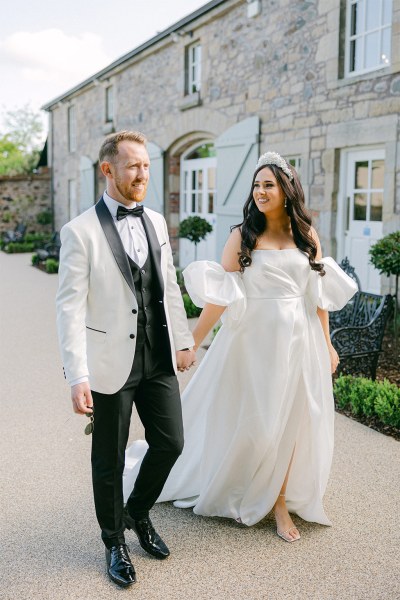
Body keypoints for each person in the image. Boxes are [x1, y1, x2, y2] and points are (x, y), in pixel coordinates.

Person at [123, 151, 358, 543]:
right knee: (257, 423)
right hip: (251, 345)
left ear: (287, 189)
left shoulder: (307, 235)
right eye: (257, 185)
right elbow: (222, 297)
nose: (261, 191)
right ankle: (237, 482)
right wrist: (191, 342)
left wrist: (327, 344)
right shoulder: (242, 235)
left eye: (269, 184)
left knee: (292, 422)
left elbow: (318, 296)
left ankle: (279, 501)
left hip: (299, 342)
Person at [56, 130, 196, 587]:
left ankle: (138, 512)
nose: (142, 174)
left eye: (147, 166)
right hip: (108, 361)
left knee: (171, 442)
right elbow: (69, 308)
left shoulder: (155, 221)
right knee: (109, 459)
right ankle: (114, 540)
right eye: (133, 165)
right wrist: (77, 374)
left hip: (157, 356)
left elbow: (168, 285)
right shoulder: (79, 232)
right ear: (108, 169)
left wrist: (182, 338)